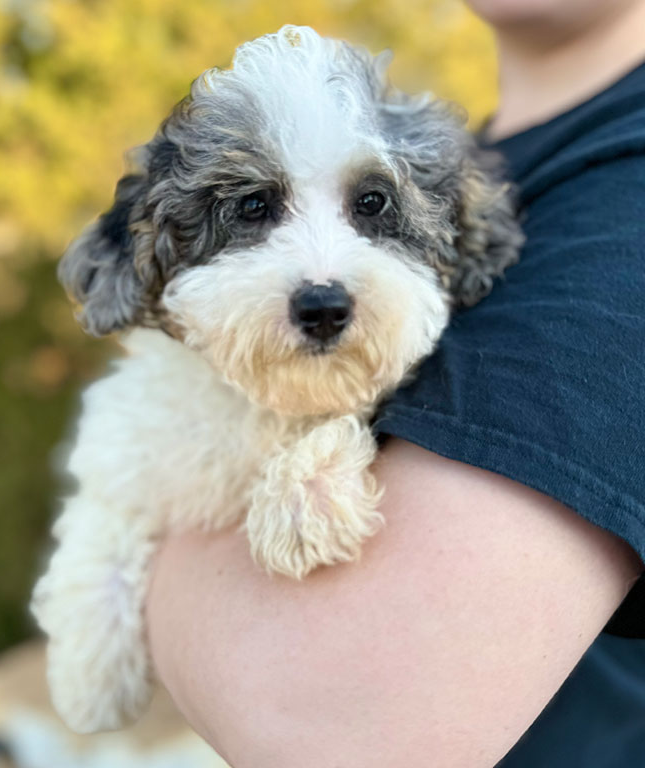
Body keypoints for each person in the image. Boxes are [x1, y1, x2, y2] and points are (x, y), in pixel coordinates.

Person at [145, 1, 645, 765]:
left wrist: (136, 527)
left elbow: (325, 721)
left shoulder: (626, 196)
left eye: (369, 207)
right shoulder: (447, 162)